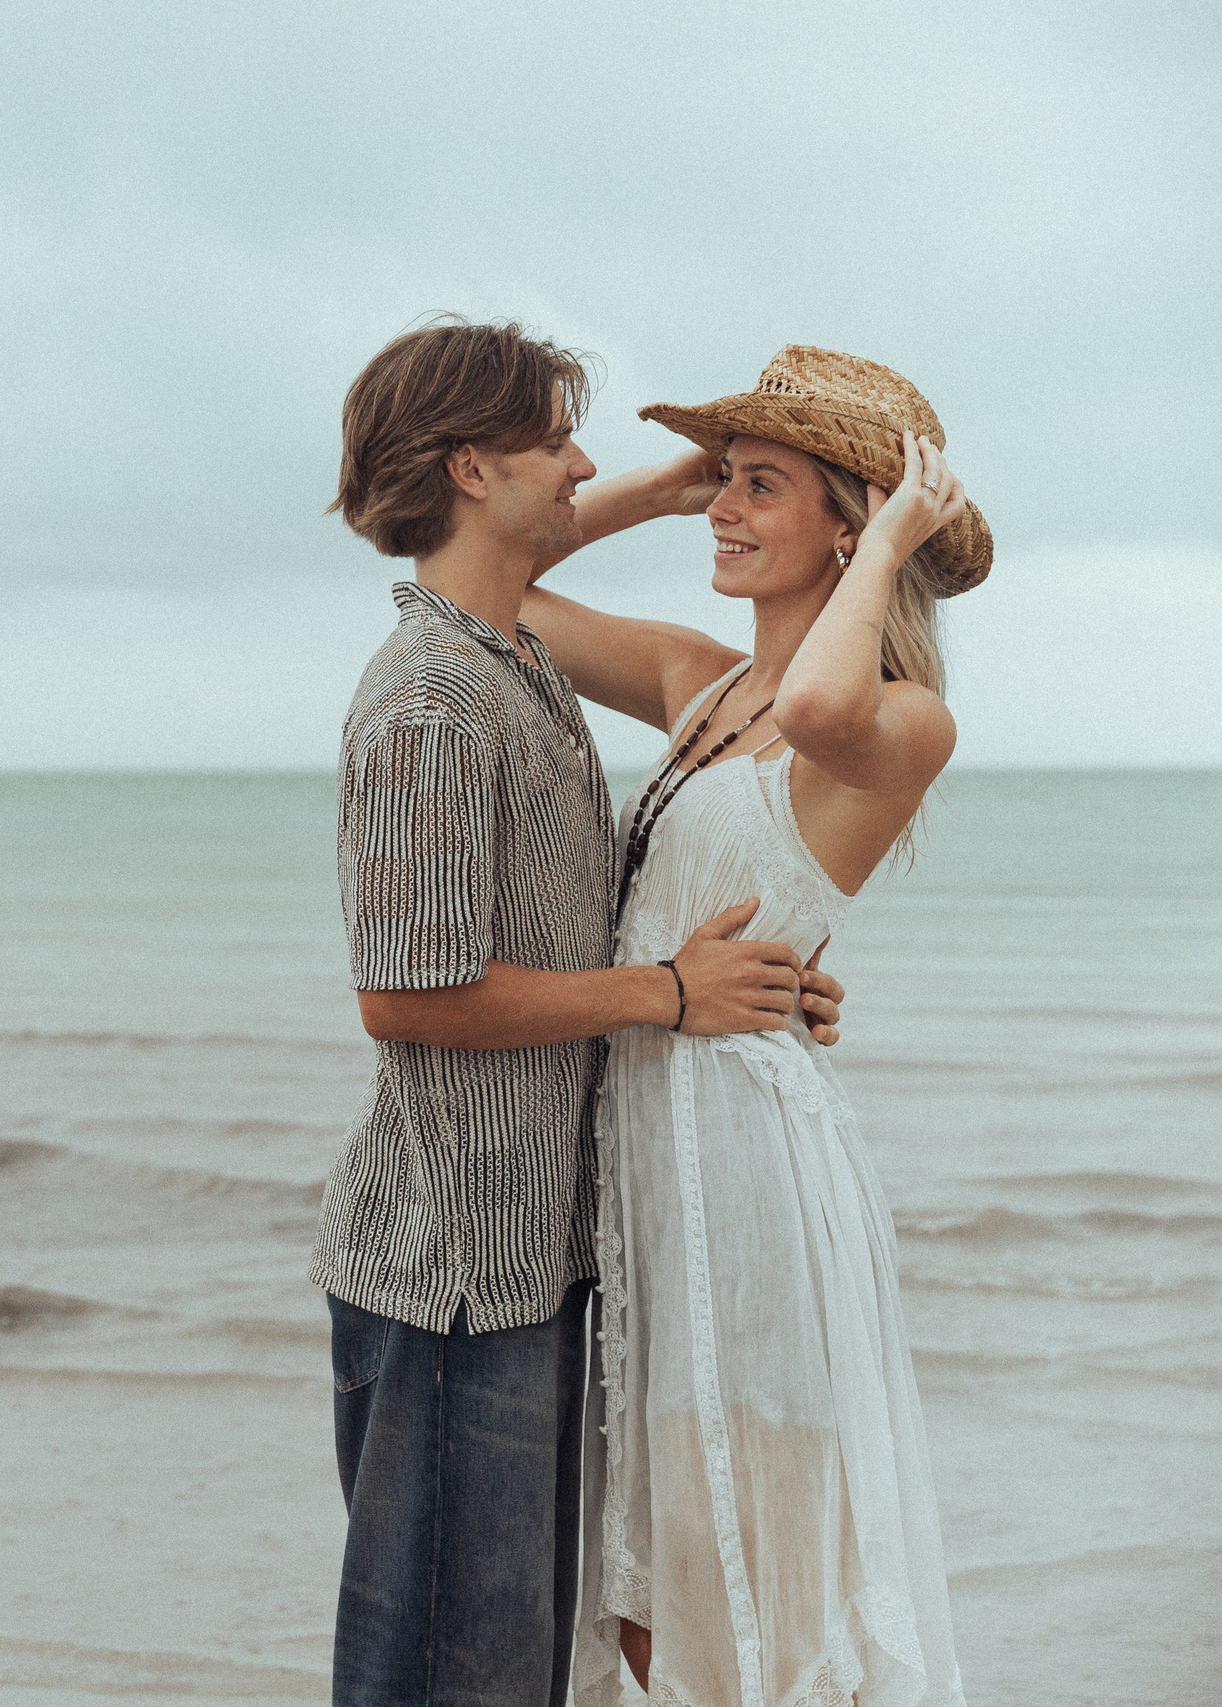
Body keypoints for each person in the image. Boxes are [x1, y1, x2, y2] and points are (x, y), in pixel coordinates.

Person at [314, 318, 848, 1706]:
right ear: (473, 466)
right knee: (444, 1673)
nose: (587, 461)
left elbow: (579, 917)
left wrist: (745, 985)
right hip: (451, 1268)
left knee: (509, 1664)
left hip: (533, 1253)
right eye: (556, 439)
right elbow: (407, 991)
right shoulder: (434, 699)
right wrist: (673, 995)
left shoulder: (511, 660)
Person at [523, 347, 977, 1705]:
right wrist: (660, 491)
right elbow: (496, 589)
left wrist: (899, 528)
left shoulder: (904, 719)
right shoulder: (699, 683)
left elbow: (827, 703)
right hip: (655, 1166)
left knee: (768, 1547)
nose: (726, 508)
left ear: (849, 519)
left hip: (757, 1178)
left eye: (758, 485)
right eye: (725, 481)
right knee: (661, 1578)